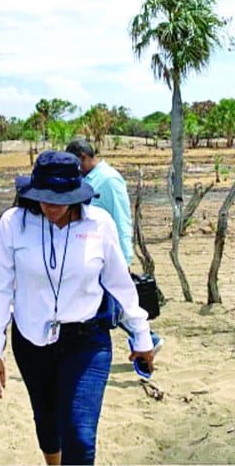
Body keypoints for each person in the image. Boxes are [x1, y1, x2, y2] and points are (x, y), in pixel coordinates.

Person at [0, 150, 154, 465]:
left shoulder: (99, 224)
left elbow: (120, 283)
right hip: (31, 339)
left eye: (61, 198)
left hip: (86, 341)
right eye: (45, 197)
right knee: (47, 420)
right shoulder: (14, 223)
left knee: (79, 434)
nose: (51, 206)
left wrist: (141, 336)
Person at [65, 139, 163, 354]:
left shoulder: (108, 180)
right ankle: (147, 338)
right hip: (89, 253)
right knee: (107, 302)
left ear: (82, 158)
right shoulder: (87, 180)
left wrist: (124, 259)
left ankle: (149, 338)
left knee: (114, 302)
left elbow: (122, 220)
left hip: (108, 255)